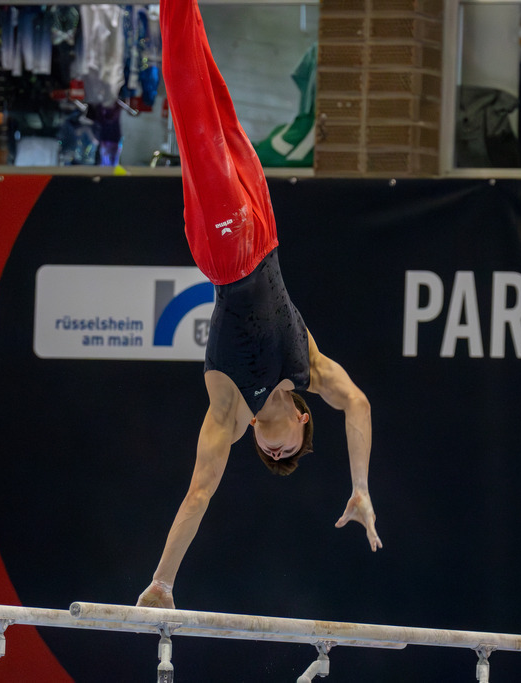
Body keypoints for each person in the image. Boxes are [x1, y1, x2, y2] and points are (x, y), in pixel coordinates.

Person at [136, 0, 381, 611]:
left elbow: (198, 494)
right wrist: (360, 486)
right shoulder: (311, 369)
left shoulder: (230, 410)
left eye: (270, 458)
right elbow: (358, 404)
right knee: (214, 93)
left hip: (226, 253)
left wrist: (163, 583)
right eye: (288, 452)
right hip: (264, 228)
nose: (274, 454)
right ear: (302, 421)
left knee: (191, 106)